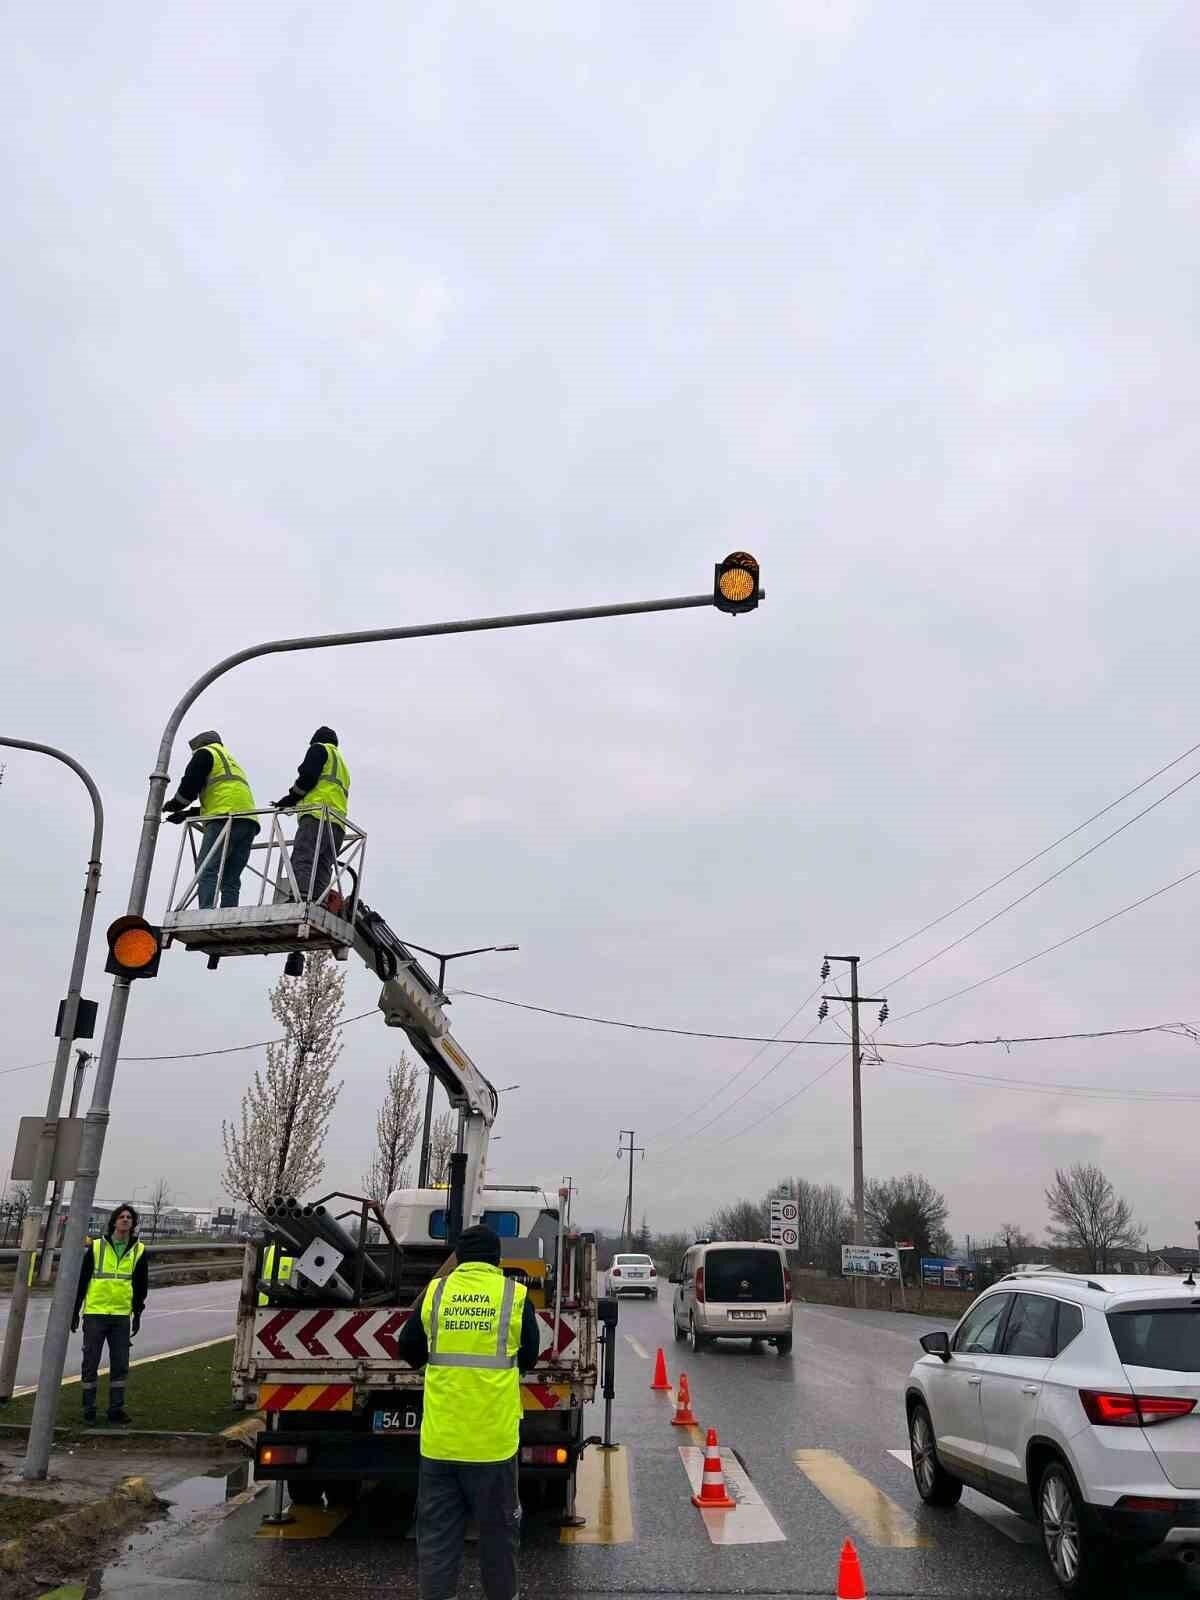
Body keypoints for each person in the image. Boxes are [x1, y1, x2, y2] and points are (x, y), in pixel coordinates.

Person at [397, 1224, 541, 1600]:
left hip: (441, 1444)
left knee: (438, 1541)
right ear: (497, 1258)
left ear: (458, 1258)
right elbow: (529, 1354)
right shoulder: (514, 1295)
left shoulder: (436, 1292)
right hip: (493, 1445)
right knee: (498, 1538)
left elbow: (409, 1348)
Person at [163, 731, 261, 909]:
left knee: (207, 869)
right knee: (231, 878)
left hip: (224, 820)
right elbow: (221, 797)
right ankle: (228, 914)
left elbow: (190, 786)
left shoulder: (205, 754)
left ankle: (205, 912)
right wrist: (186, 814)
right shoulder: (230, 761)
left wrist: (174, 804)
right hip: (248, 822)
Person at [71, 1203, 148, 1425]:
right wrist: (75, 1311)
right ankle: (89, 1409)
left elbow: (141, 1286)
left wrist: (138, 1313)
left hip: (121, 1316)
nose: (125, 1220)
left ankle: (116, 1409)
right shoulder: (96, 1247)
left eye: (129, 1218)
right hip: (95, 1313)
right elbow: (82, 1281)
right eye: (121, 1217)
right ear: (114, 1221)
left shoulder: (139, 1250)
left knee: (120, 1364)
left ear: (133, 1224)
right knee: (90, 1363)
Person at [272, 726, 350, 904]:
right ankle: (318, 902)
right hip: (337, 824)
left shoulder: (319, 749)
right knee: (323, 864)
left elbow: (308, 777)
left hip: (317, 816)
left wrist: (291, 798)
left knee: (304, 856)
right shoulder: (342, 765)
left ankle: (300, 897)